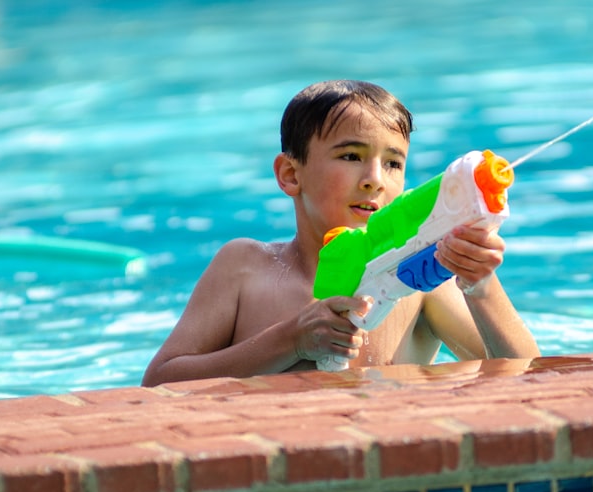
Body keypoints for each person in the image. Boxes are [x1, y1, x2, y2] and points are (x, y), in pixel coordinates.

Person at [142, 80, 539, 386]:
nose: (375, 180)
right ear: (290, 174)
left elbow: (527, 376)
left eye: (393, 164)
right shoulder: (244, 268)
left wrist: (480, 285)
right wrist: (290, 341)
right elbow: (159, 384)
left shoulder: (418, 282)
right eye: (351, 156)